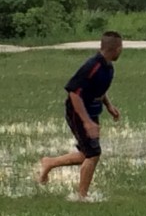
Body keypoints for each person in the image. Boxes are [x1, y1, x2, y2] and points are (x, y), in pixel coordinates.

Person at [37, 31, 123, 201]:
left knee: (87, 153)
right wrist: (87, 122)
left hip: (92, 111)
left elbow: (98, 90)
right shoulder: (92, 66)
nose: (122, 50)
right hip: (78, 112)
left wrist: (109, 106)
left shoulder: (107, 67)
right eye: (121, 47)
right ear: (115, 49)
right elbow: (74, 94)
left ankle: (50, 163)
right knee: (93, 154)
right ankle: (82, 197)